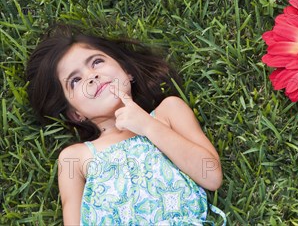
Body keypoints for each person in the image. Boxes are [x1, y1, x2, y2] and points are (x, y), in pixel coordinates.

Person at [26, 24, 226, 225]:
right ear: (75, 114)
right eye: (75, 81)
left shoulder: (168, 113)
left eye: (96, 62)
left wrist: (147, 126)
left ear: (127, 71)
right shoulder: (74, 158)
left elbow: (211, 176)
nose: (91, 76)